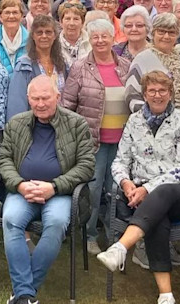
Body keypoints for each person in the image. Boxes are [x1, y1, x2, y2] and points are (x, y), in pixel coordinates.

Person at [96, 71, 180, 304]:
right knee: (156, 217)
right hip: (141, 197)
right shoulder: (134, 121)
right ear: (144, 94)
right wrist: (126, 183)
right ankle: (166, 295)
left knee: (161, 193)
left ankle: (121, 247)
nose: (157, 95)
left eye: (162, 90)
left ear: (170, 93)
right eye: (152, 91)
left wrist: (147, 188)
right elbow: (120, 161)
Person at [0, 75, 95, 304]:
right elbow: (4, 159)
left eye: (46, 98)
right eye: (35, 99)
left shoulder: (76, 124)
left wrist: (54, 186)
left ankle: (24, 291)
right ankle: (26, 293)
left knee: (57, 222)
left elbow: (86, 165)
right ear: (28, 99)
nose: (40, 104)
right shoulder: (17, 123)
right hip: (24, 190)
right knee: (11, 219)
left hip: (59, 192)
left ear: (57, 97)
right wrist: (20, 185)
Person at [61, 18, 130, 252]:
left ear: (113, 38)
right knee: (92, 189)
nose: (100, 40)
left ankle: (114, 235)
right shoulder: (80, 67)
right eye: (95, 37)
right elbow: (67, 104)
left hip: (122, 143)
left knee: (116, 190)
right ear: (89, 40)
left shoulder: (126, 66)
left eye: (104, 36)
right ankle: (89, 235)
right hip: (93, 141)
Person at [125, 13, 180, 112]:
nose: (166, 36)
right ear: (153, 34)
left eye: (171, 32)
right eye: (161, 32)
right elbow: (132, 96)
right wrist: (153, 117)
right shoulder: (142, 59)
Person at [6, 15, 68, 120]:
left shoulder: (62, 64)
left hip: (60, 123)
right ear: (33, 36)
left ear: (55, 35)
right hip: (34, 124)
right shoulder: (24, 66)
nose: (44, 36)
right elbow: (17, 105)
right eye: (39, 32)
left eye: (48, 32)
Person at [0, 0, 29, 75]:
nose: (11, 16)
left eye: (15, 12)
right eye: (7, 13)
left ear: (22, 16)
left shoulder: (31, 41)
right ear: (0, 17)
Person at [57, 1, 91, 66]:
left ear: (82, 22)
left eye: (76, 19)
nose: (71, 23)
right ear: (61, 22)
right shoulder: (54, 44)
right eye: (67, 19)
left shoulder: (92, 42)